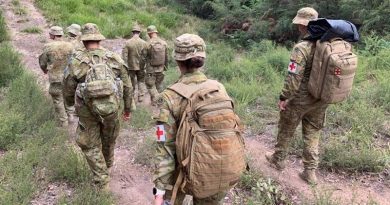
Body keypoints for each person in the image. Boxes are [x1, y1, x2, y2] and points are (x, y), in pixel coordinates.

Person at [153, 34, 245, 205]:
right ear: (202, 59)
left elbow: (164, 146)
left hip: (180, 171)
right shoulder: (218, 88)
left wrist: (159, 190)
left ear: (177, 60)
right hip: (214, 169)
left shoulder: (170, 96)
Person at [63, 23, 133, 188]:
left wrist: (70, 104)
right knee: (109, 138)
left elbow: (67, 88)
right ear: (99, 39)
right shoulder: (115, 58)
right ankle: (107, 165)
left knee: (89, 143)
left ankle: (101, 179)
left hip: (87, 110)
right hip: (112, 109)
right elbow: (128, 86)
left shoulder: (76, 61)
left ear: (84, 41)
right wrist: (128, 109)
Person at [265, 7, 326, 185]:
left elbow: (293, 77)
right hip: (320, 99)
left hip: (300, 99)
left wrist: (284, 97)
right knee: (313, 133)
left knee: (286, 128)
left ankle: (278, 160)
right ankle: (310, 172)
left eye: (299, 24)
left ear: (302, 25)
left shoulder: (302, 48)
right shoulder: (327, 45)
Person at [39, 26, 74, 127]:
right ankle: (71, 114)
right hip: (69, 76)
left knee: (58, 99)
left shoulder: (48, 46)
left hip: (55, 77)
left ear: (53, 35)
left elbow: (43, 61)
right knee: (68, 96)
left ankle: (64, 122)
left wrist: (45, 69)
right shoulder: (70, 46)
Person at [122, 25, 148, 102]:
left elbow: (124, 56)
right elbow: (146, 55)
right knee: (141, 81)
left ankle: (132, 95)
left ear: (132, 32)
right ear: (139, 32)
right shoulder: (144, 43)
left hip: (131, 66)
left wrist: (125, 66)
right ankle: (141, 96)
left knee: (132, 81)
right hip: (141, 66)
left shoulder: (127, 43)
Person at [145, 25, 168, 105]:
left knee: (150, 86)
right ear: (156, 32)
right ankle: (157, 102)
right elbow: (166, 57)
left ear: (149, 33)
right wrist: (165, 67)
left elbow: (143, 57)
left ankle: (157, 100)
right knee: (159, 85)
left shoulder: (147, 44)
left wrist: (141, 68)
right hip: (161, 68)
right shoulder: (164, 43)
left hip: (151, 69)